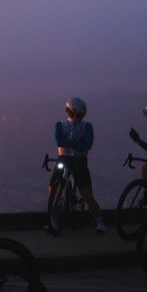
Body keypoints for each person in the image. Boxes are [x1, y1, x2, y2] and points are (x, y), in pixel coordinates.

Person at [49, 96, 105, 233]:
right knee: (53, 189)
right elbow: (59, 142)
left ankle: (99, 222)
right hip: (64, 159)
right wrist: (78, 144)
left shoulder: (86, 126)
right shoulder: (60, 124)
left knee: (86, 193)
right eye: (76, 114)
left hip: (78, 161)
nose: (78, 118)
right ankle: (53, 217)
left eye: (80, 115)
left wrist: (69, 142)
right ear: (69, 112)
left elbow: (88, 144)